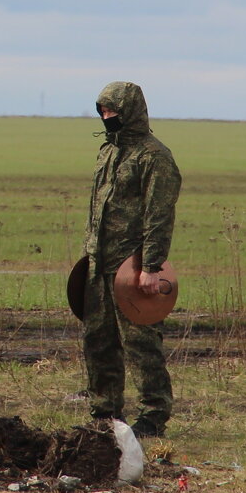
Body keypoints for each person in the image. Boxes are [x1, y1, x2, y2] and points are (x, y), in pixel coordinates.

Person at [82, 81, 181, 438]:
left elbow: (159, 216)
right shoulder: (107, 152)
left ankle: (153, 416)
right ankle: (105, 414)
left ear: (131, 112)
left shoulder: (154, 157)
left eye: (113, 111)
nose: (107, 116)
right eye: (103, 110)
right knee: (98, 340)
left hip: (133, 267)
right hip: (99, 263)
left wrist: (151, 267)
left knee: (141, 344)